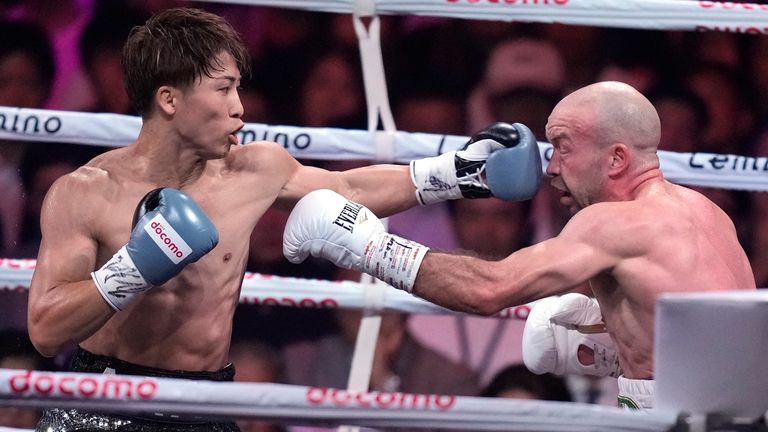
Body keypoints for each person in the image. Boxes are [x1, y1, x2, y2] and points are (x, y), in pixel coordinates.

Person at [26, 7, 536, 431]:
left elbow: (351, 188)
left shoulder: (252, 169)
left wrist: (460, 173)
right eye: (223, 89)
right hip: (103, 403)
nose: (239, 108)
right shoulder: (84, 193)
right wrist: (131, 269)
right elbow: (46, 331)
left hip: (204, 404)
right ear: (169, 100)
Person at [283, 80, 757, 410]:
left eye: (564, 147)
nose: (551, 169)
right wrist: (621, 346)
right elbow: (722, 342)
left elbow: (489, 289)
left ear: (616, 158)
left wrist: (369, 247)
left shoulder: (613, 223)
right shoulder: (706, 212)